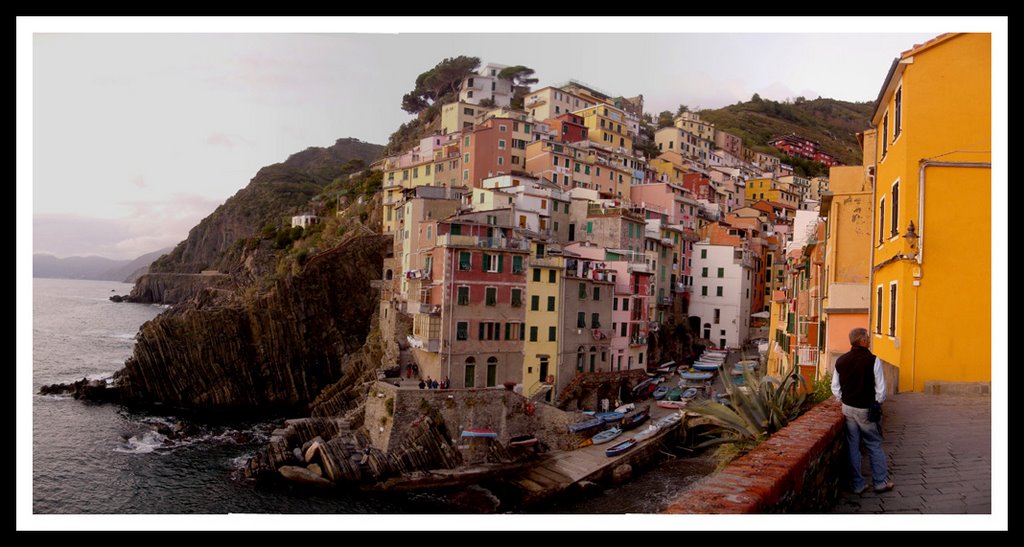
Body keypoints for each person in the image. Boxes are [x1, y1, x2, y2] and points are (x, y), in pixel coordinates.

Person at [832, 327, 894, 495]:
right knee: (874, 444)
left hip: (848, 408)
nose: (869, 339)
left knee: (853, 446)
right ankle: (880, 482)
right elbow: (881, 389)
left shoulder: (841, 361)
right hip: (865, 408)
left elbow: (835, 388)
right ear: (863, 341)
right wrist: (877, 403)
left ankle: (857, 484)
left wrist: (842, 400)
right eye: (867, 337)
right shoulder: (873, 360)